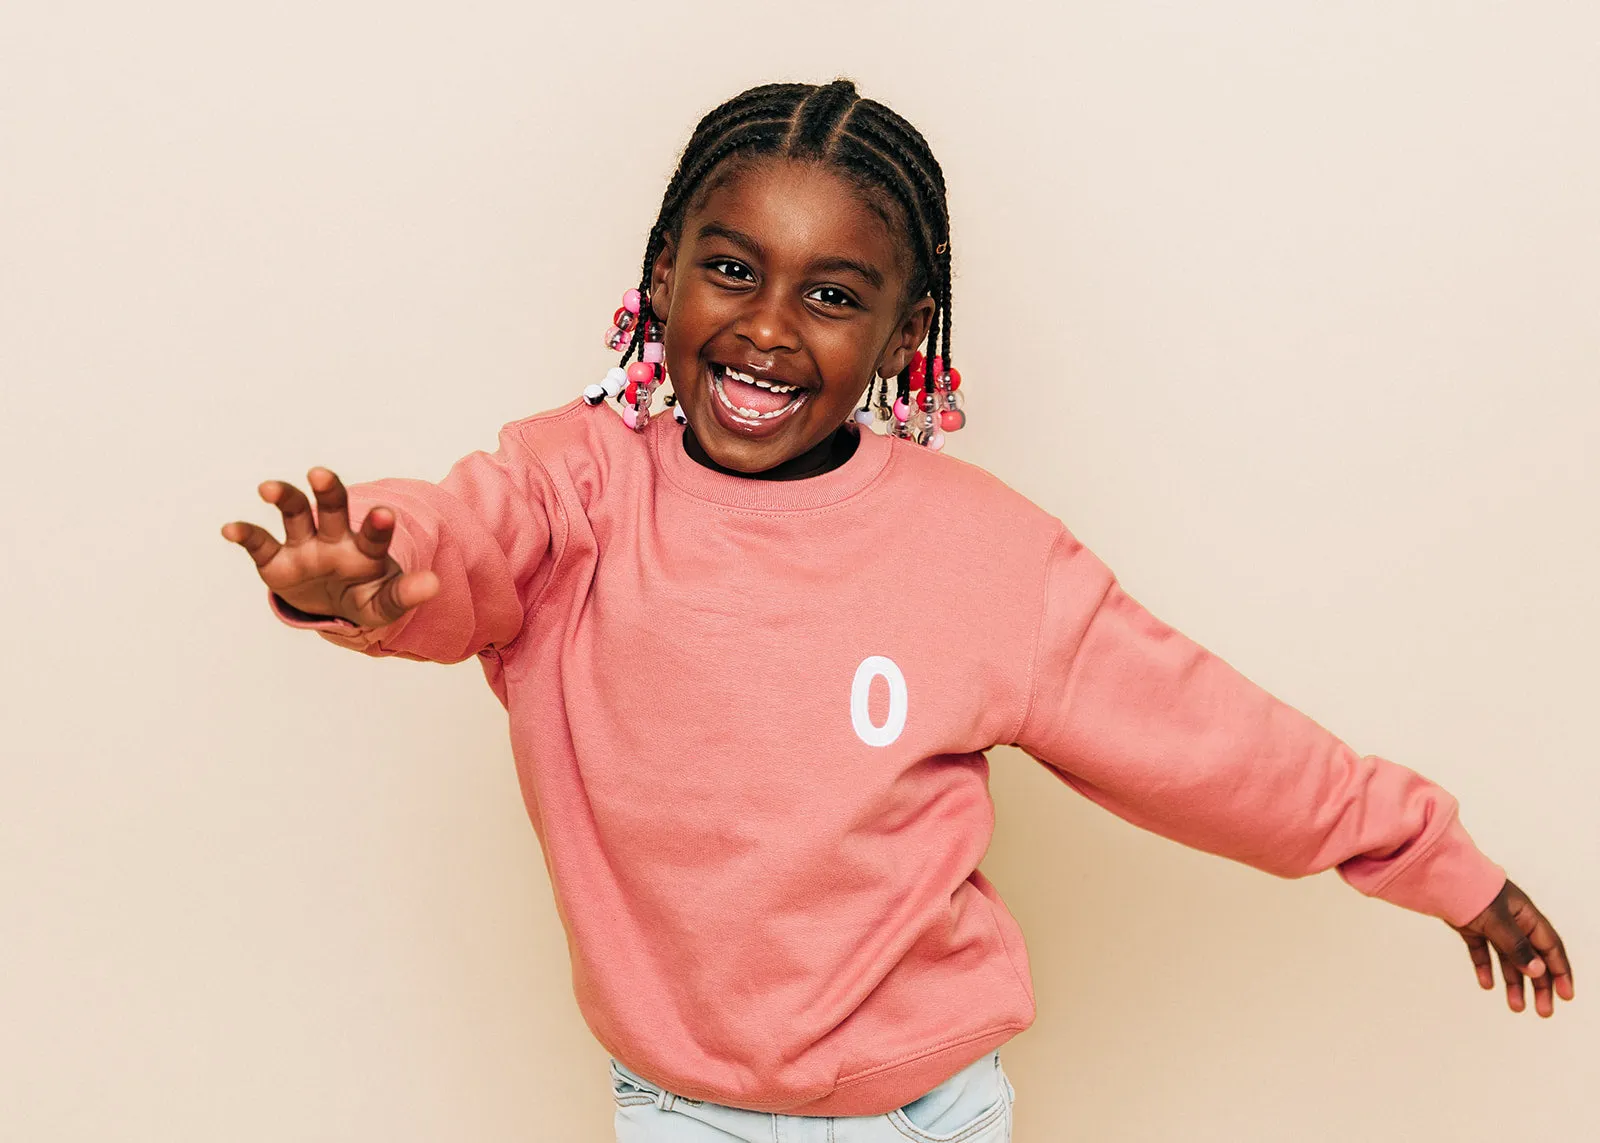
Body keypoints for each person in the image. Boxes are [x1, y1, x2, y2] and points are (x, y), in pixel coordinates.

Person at [220, 79, 1574, 1143]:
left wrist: (1430, 853)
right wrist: (382, 568)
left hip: (931, 1112)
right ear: (660, 272)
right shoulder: (579, 491)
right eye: (730, 268)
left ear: (902, 333)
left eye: (832, 295)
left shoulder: (982, 554)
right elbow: (469, 539)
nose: (764, 329)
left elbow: (1207, 739)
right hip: (682, 1109)